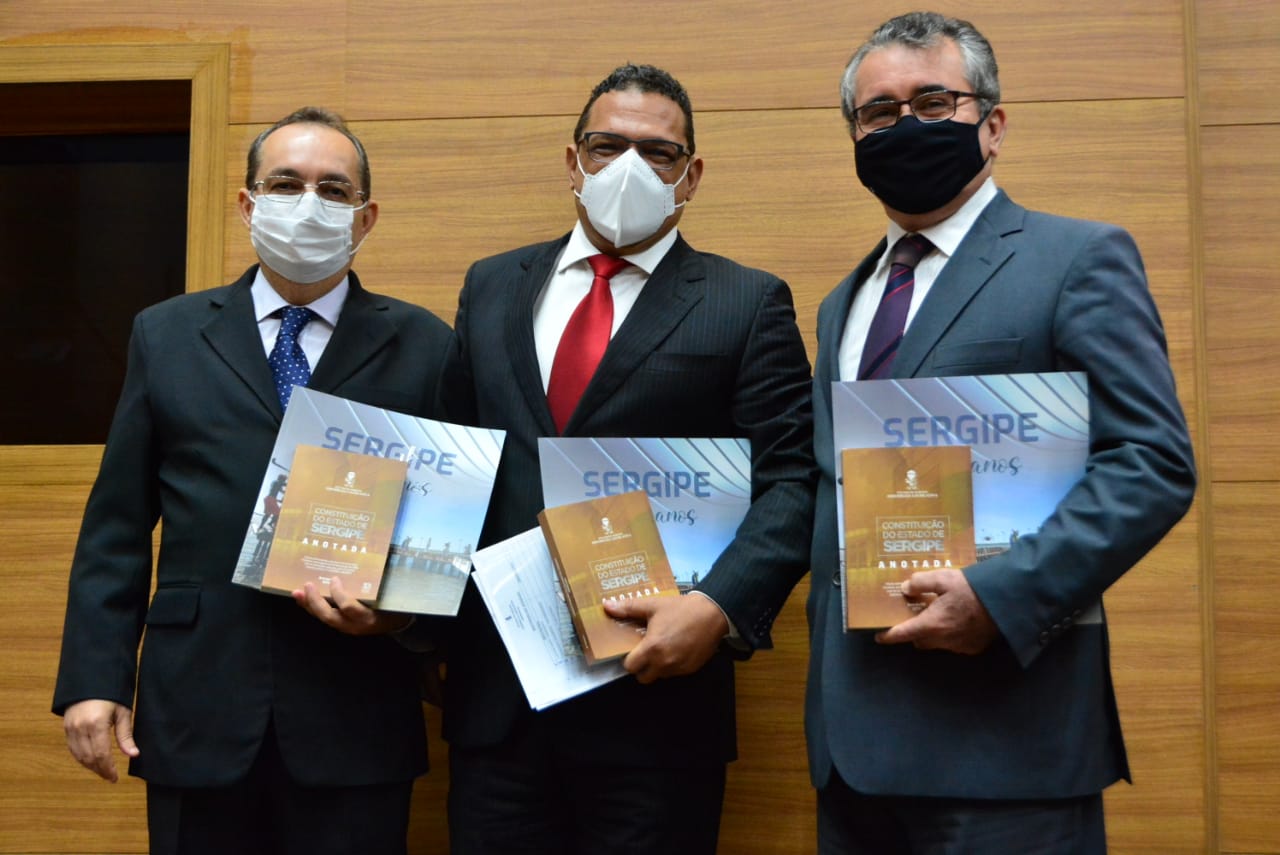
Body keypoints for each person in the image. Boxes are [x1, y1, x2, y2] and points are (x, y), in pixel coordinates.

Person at [806, 12, 1197, 854]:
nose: (906, 126)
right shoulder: (843, 303)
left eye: (933, 102)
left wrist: (1002, 595)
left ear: (993, 123)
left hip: (1007, 746)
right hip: (852, 756)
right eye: (879, 113)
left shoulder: (1076, 258)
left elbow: (1151, 462)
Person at [435, 63, 815, 854]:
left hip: (658, 709)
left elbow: (792, 479)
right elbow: (459, 462)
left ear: (691, 175)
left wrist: (717, 608)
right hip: (498, 707)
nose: (629, 167)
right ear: (573, 161)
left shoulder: (746, 302)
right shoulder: (491, 285)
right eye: (607, 146)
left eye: (658, 152)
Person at [52, 106, 451, 855]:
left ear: (365, 218)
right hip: (196, 702)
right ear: (247, 203)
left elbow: (453, 526)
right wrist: (94, 679)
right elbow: (116, 526)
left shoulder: (427, 345)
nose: (309, 204)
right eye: (286, 184)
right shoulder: (166, 334)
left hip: (355, 713)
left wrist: (403, 619)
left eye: (334, 190)